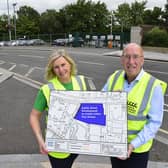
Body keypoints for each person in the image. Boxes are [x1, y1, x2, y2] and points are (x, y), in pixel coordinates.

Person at [102, 43, 167, 168]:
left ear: (142, 60)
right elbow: (99, 104)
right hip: (115, 145)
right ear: (122, 59)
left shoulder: (154, 86)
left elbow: (154, 123)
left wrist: (132, 145)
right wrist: (109, 97)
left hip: (137, 150)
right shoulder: (114, 77)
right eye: (127, 57)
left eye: (135, 57)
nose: (131, 61)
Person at [29, 49, 87, 168]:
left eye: (63, 65)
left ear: (70, 64)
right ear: (53, 70)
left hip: (77, 141)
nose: (61, 70)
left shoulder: (80, 81)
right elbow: (34, 116)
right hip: (58, 146)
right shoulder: (46, 89)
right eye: (56, 67)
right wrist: (40, 140)